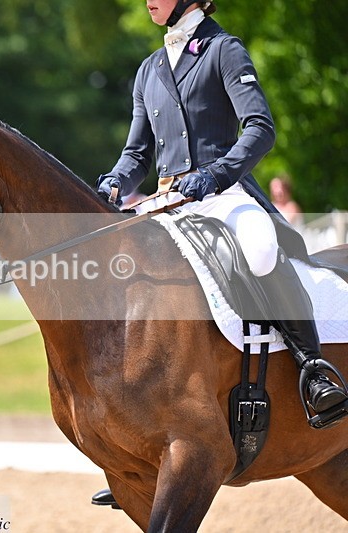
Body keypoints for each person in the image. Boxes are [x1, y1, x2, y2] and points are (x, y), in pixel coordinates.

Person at [93, 0, 346, 508]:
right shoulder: (149, 68)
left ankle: (314, 368)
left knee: (257, 250)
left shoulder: (223, 50)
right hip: (167, 199)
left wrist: (216, 174)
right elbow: (138, 152)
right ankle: (139, 439)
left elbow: (260, 128)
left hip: (223, 193)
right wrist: (113, 185)